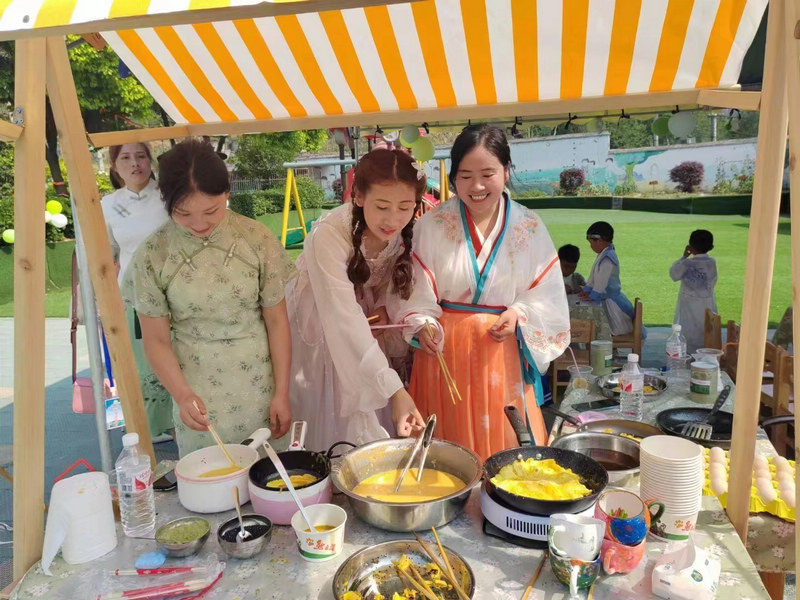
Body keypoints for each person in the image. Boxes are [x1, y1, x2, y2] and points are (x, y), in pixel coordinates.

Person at [390, 124, 570, 460]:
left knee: (506, 451)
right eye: (465, 175)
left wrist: (518, 313)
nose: (476, 186)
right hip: (444, 351)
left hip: (501, 355)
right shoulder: (431, 225)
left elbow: (546, 293)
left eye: (488, 174)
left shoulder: (528, 226)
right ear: (453, 178)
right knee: (443, 453)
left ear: (505, 171)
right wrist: (421, 323)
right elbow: (413, 292)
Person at [124, 139, 294, 457]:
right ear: (166, 203)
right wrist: (182, 394)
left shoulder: (257, 239)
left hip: (261, 389)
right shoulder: (153, 254)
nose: (199, 224)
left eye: (212, 210)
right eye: (183, 213)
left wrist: (282, 392)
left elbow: (277, 322)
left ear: (227, 192)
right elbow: (156, 340)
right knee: (210, 488)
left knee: (272, 481)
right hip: (197, 394)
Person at [287, 149, 426, 452]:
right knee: (333, 394)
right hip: (319, 318)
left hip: (360, 317)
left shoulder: (402, 232)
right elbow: (341, 316)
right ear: (359, 197)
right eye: (382, 206)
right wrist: (394, 389)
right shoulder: (330, 234)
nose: (393, 219)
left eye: (405, 207)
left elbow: (386, 281)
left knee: (366, 379)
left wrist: (381, 305)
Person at [101, 143, 172, 441]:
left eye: (141, 156)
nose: (135, 164)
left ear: (150, 160)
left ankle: (181, 419)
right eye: (125, 157)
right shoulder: (106, 205)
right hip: (133, 295)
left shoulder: (169, 197)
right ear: (115, 165)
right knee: (144, 362)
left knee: (179, 355)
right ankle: (150, 426)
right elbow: (107, 253)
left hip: (173, 289)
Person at [580, 221, 635, 336]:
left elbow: (601, 282)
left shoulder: (608, 259)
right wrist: (586, 290)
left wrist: (592, 295)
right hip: (607, 300)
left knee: (601, 328)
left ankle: (605, 349)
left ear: (599, 241)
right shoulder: (603, 255)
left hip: (613, 306)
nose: (591, 247)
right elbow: (593, 277)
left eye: (591, 243)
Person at [669, 229, 717, 354]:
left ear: (691, 245)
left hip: (689, 305)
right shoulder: (712, 263)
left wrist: (684, 256)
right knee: (705, 333)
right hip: (707, 303)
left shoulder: (687, 264)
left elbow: (674, 274)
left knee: (688, 335)